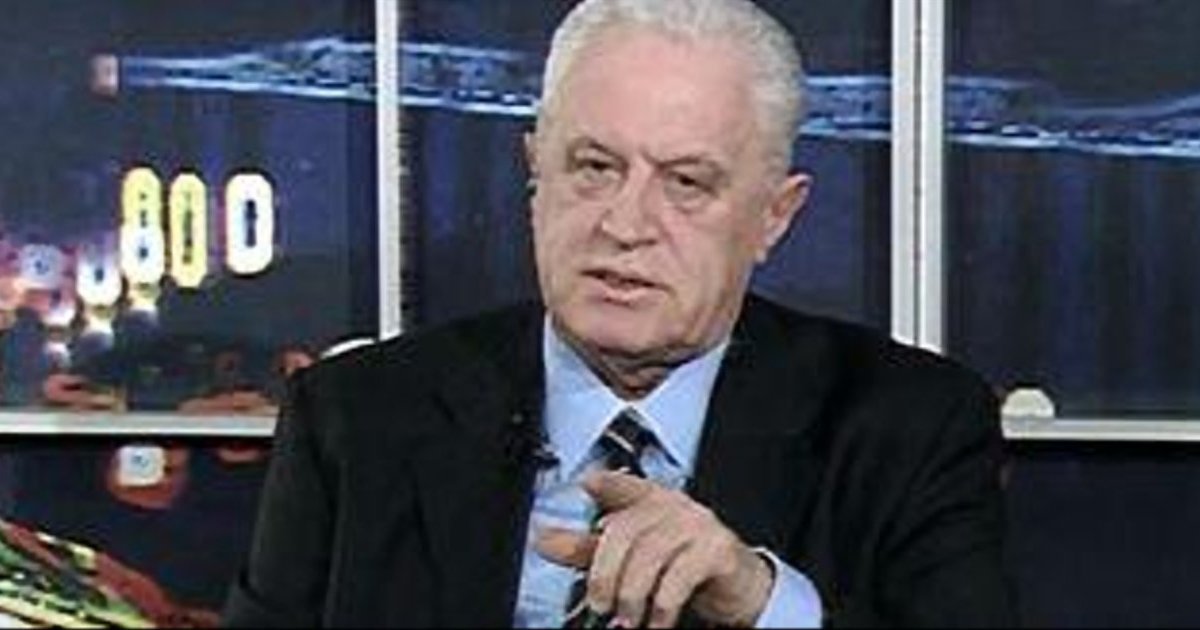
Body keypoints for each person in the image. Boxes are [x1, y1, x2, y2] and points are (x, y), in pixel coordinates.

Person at [223, 0, 1017, 627]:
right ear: (535, 174)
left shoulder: (907, 426)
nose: (626, 224)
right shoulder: (357, 417)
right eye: (594, 167)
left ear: (775, 217)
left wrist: (760, 601)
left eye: (686, 183)